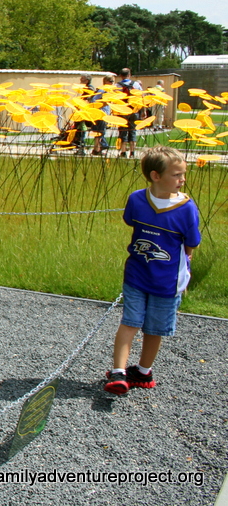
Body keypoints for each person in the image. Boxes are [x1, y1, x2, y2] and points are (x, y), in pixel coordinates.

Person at [104, 146, 201, 395]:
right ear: (156, 176)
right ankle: (118, 371)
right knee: (130, 322)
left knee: (154, 328)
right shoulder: (137, 199)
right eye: (177, 175)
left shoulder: (187, 208)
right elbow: (131, 219)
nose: (183, 179)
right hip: (137, 275)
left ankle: (143, 370)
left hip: (168, 281)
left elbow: (192, 242)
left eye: (183, 174)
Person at [115, 68, 143, 158]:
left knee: (123, 131)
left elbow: (114, 99)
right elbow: (141, 97)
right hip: (134, 111)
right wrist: (143, 111)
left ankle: (123, 152)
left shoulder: (117, 85)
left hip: (122, 111)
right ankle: (132, 152)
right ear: (129, 75)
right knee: (133, 131)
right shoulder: (136, 84)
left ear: (121, 76)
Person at [90, 75, 114, 155]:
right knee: (100, 132)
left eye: (113, 81)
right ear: (105, 81)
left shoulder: (106, 91)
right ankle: (98, 149)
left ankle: (97, 149)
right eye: (110, 81)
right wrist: (104, 103)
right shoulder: (102, 90)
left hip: (102, 113)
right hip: (100, 114)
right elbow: (94, 101)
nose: (112, 83)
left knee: (99, 132)